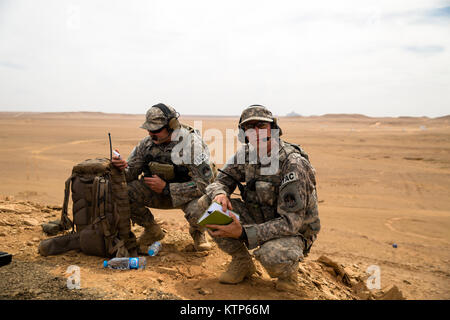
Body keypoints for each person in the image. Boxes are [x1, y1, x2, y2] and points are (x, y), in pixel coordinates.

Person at [203, 104, 320, 291]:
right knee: (208, 207)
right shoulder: (245, 154)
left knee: (270, 255)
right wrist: (220, 193)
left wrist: (242, 233)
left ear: (273, 129)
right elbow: (219, 181)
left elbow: (292, 223)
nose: (256, 132)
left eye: (261, 126)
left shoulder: (293, 163)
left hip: (293, 232)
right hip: (260, 217)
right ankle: (242, 262)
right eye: (250, 127)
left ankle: (288, 273)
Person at [112, 103, 214, 253]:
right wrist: (120, 168)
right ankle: (152, 230)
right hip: (156, 193)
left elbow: (205, 184)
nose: (151, 134)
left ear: (171, 126)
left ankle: (198, 231)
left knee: (207, 206)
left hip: (188, 196)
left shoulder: (192, 145)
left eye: (157, 130)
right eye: (149, 129)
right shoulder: (146, 145)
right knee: (123, 191)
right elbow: (130, 174)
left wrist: (167, 188)